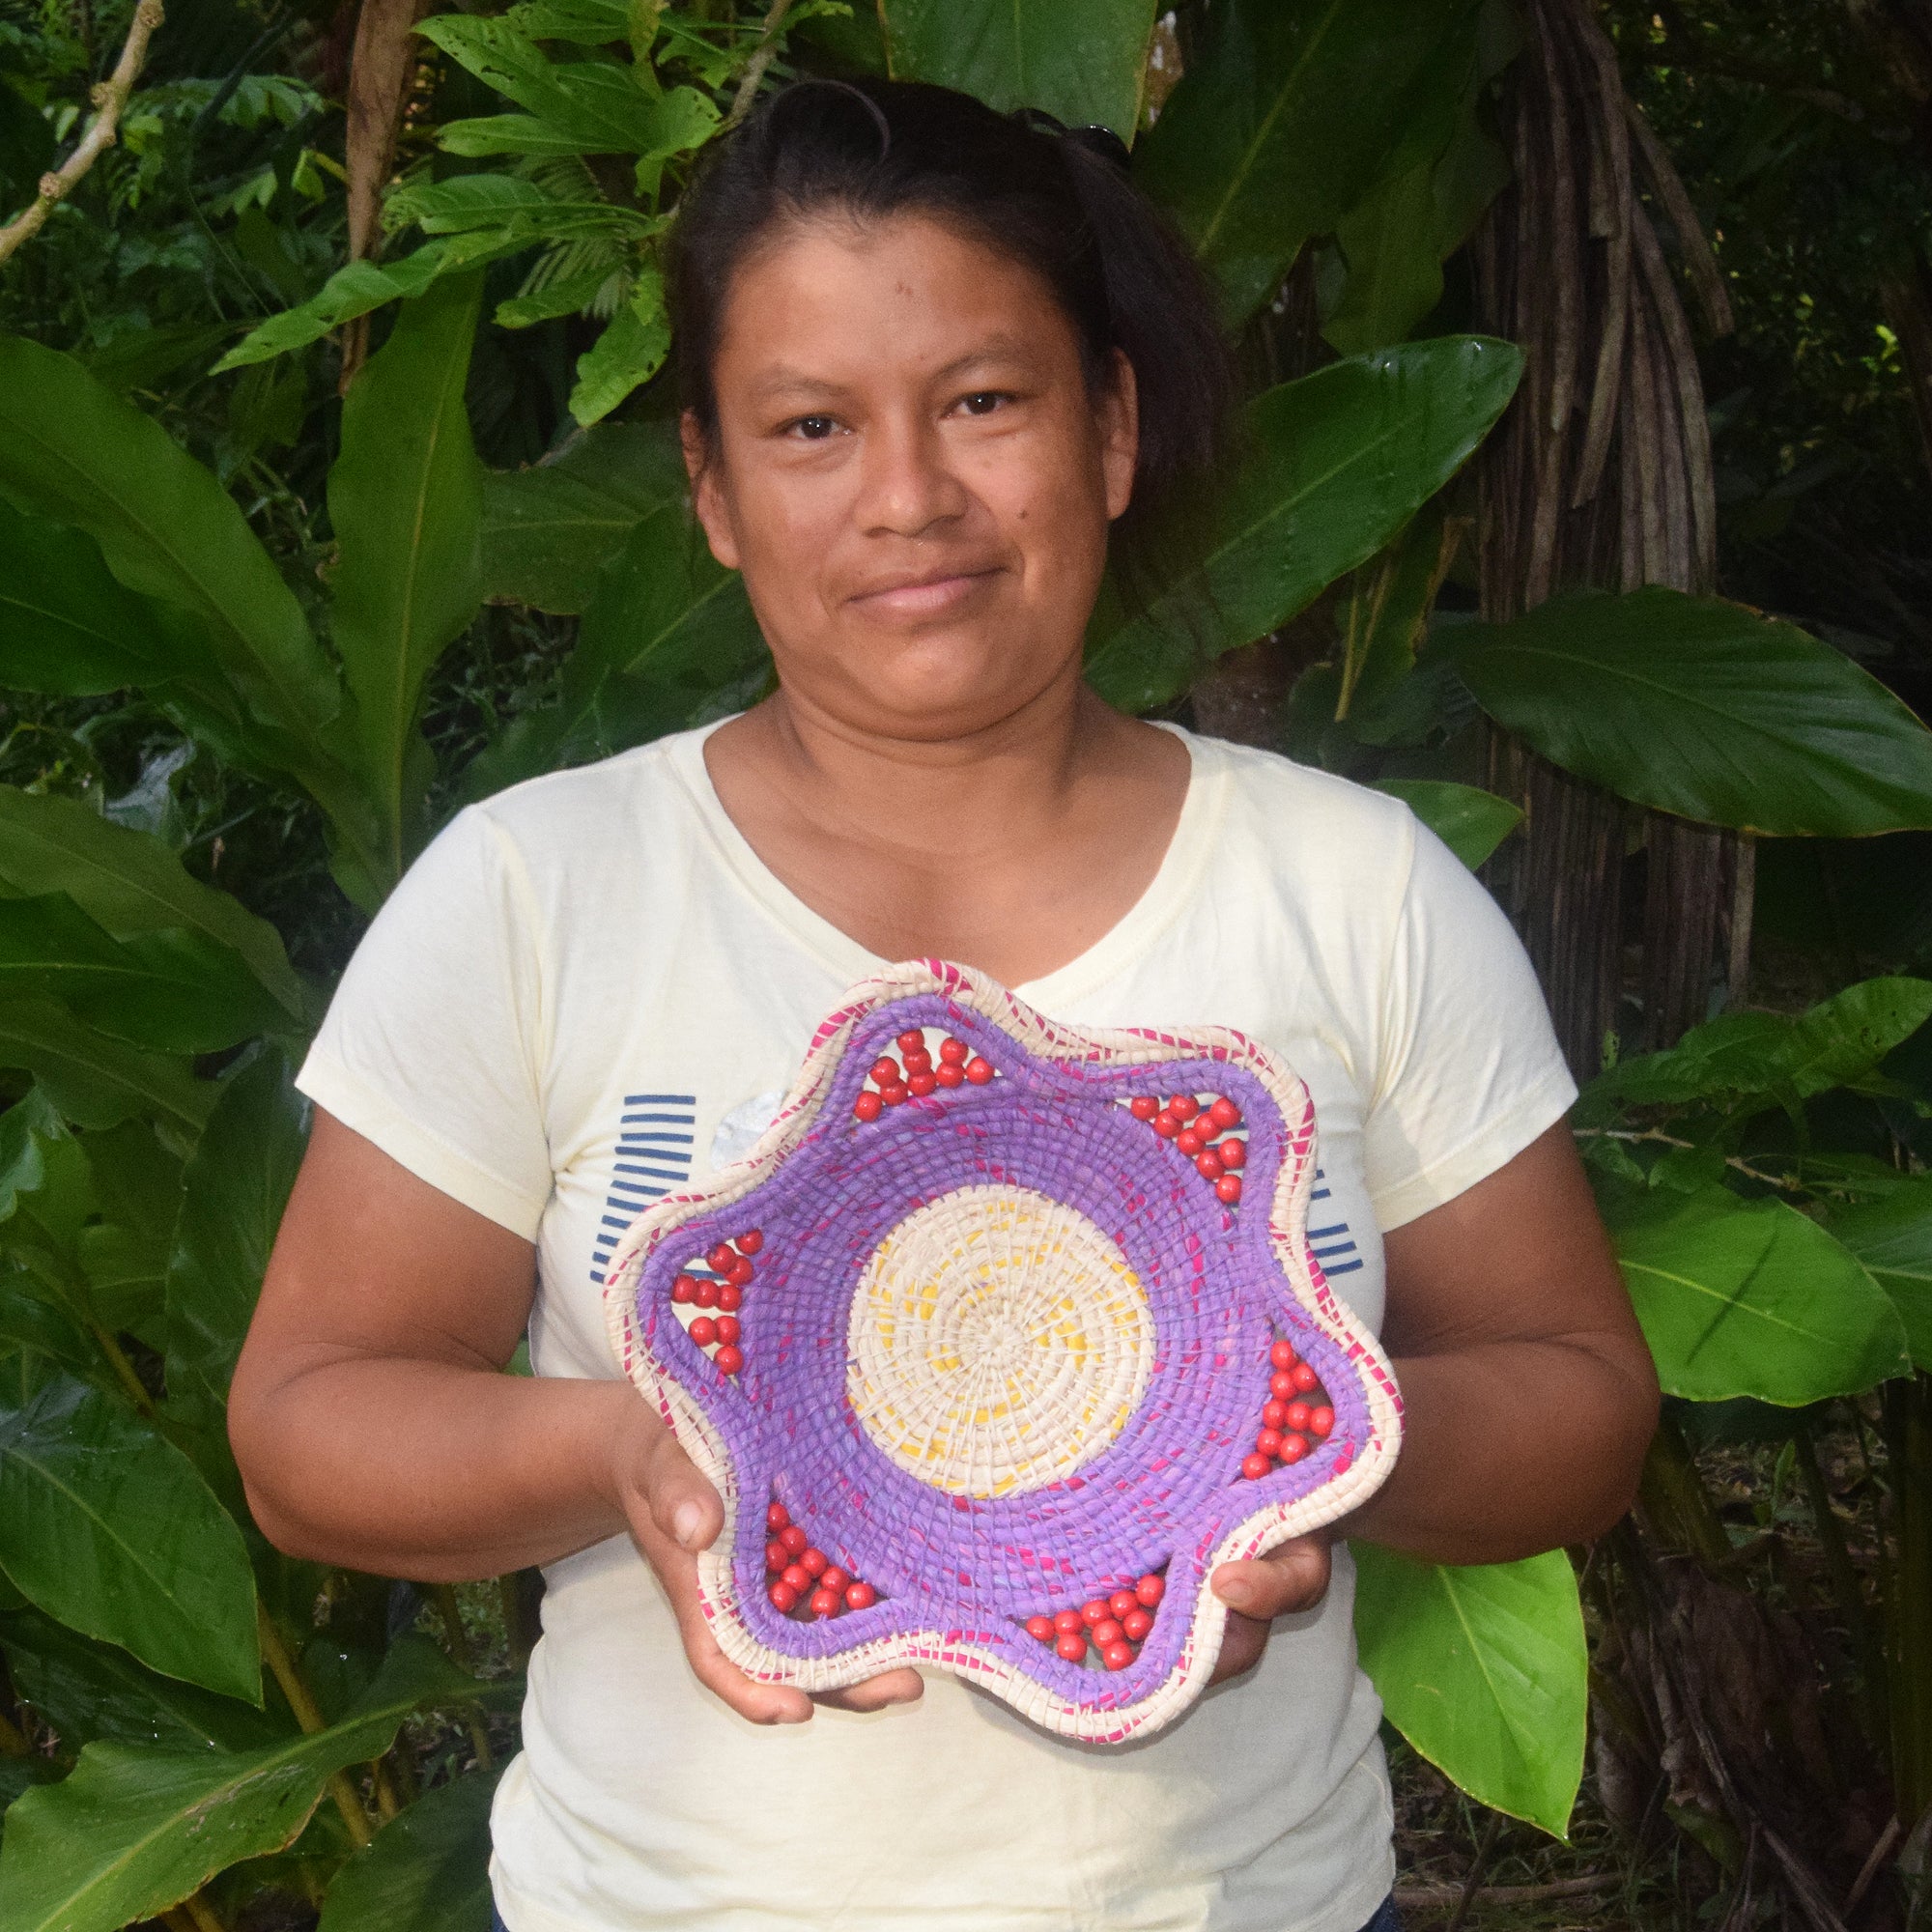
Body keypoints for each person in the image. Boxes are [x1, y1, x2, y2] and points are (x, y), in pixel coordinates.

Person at [229, 76, 1660, 1932]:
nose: (910, 498)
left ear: (1112, 429)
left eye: (985, 401)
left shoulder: (1351, 888)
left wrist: (1290, 1446)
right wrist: (625, 1455)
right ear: (713, 491)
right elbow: (304, 1431)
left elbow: (1585, 1406)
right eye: (812, 425)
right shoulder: (540, 891)